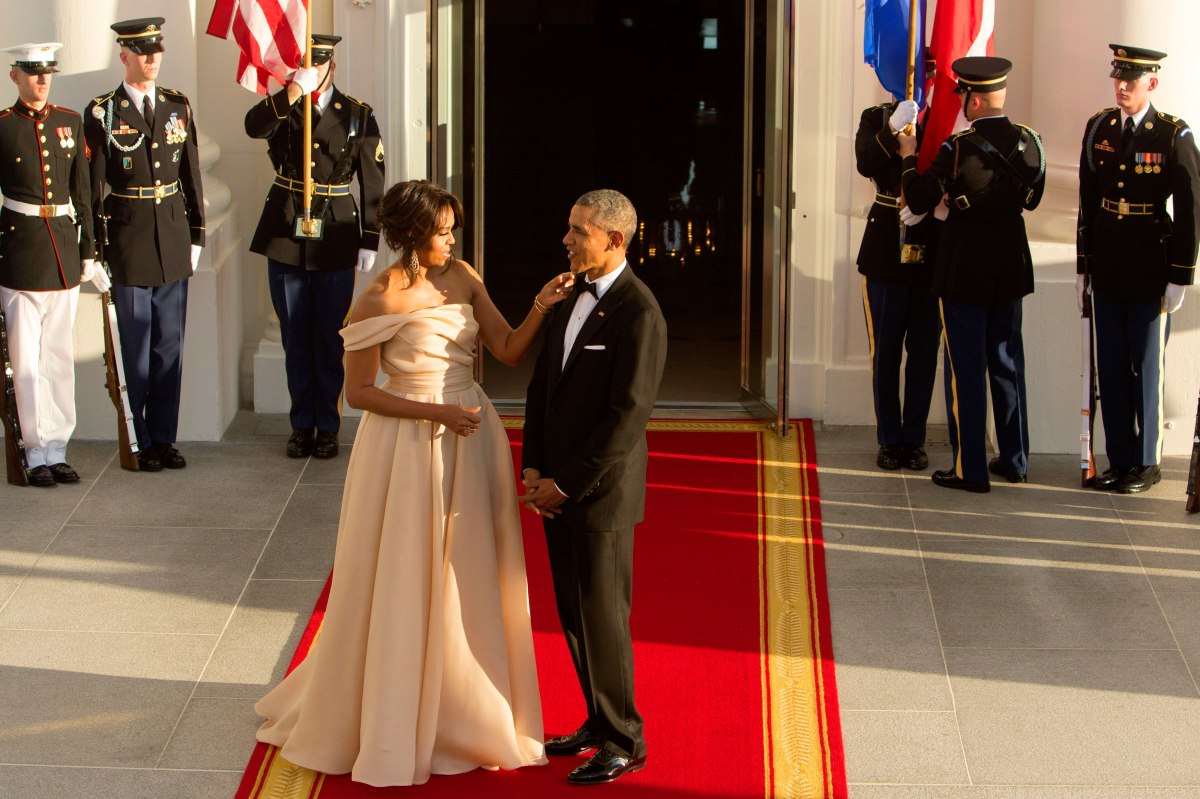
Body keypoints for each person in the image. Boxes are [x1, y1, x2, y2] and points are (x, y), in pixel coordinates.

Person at [255, 180, 572, 786]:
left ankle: (467, 706)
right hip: (407, 449)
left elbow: (505, 349)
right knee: (407, 574)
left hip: (472, 438)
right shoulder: (376, 299)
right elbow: (359, 393)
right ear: (407, 235)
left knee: (471, 570)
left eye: (454, 229)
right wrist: (437, 414)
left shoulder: (463, 276)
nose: (451, 240)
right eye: (442, 230)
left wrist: (540, 305)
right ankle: (398, 709)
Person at [520, 189, 668, 785]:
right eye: (569, 227)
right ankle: (596, 722)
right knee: (574, 613)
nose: (567, 239)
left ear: (614, 240)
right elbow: (541, 388)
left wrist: (567, 483)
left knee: (602, 615)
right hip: (554, 485)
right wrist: (533, 467)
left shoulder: (641, 313)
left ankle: (625, 738)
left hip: (599, 494)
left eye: (580, 231)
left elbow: (627, 418)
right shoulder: (565, 294)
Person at [898, 57, 1045, 493]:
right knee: (1005, 363)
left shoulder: (957, 146)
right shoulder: (1030, 142)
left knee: (966, 368)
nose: (961, 103)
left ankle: (970, 469)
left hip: (964, 266)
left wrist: (909, 157)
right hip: (1010, 265)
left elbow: (920, 197)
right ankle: (1015, 460)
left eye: (963, 96)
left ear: (976, 100)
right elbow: (1033, 200)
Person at [245, 34, 385, 460]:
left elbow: (373, 183)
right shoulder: (285, 107)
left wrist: (370, 239)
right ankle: (300, 424)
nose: (311, 72)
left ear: (331, 67)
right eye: (304, 66)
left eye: (318, 66)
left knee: (328, 337)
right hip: (287, 231)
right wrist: (290, 92)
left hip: (336, 233)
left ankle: (327, 424)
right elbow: (253, 127)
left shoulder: (357, 115)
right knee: (295, 337)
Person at [1077, 44, 1200, 494]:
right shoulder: (1100, 128)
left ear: (1153, 82)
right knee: (1110, 365)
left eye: (1132, 78)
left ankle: (1147, 463)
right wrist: (1082, 267)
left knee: (1147, 367)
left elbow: (1189, 208)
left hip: (1151, 263)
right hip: (1108, 262)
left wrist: (1180, 274)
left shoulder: (1172, 134)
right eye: (1118, 76)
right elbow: (1088, 202)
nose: (1122, 85)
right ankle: (1120, 458)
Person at [83, 18, 204, 472]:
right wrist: (93, 250)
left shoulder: (177, 106)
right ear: (124, 56)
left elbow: (190, 174)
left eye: (156, 50)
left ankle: (165, 439)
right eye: (142, 51)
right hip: (128, 239)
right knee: (135, 346)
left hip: (172, 235)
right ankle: (140, 439)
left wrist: (197, 234)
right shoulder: (103, 112)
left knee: (169, 345)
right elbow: (93, 188)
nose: (152, 58)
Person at [0, 43, 97, 487]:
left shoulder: (69, 123)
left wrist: (90, 250)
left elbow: (84, 194)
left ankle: (57, 448)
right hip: (19, 254)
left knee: (58, 358)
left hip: (63, 251)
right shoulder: (2, 127)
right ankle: (33, 450)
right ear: (14, 76)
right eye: (33, 72)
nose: (42, 80)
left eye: (47, 72)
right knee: (24, 362)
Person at [854, 86, 941, 473]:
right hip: (885, 246)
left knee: (923, 353)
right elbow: (866, 161)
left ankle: (914, 440)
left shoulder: (944, 121)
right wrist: (892, 129)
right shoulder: (876, 118)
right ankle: (890, 439)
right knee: (886, 353)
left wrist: (927, 204)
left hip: (931, 248)